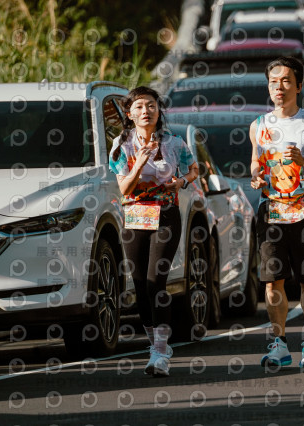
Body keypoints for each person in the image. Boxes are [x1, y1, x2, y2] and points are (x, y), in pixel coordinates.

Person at [250, 57, 304, 369]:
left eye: (286, 80)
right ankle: (279, 344)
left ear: (299, 86)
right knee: (272, 280)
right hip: (271, 210)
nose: (279, 87)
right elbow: (255, 163)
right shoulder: (258, 125)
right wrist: (256, 176)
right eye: (274, 81)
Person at [108, 86, 199, 377]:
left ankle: (159, 352)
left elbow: (194, 169)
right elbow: (125, 188)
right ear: (129, 114)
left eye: (150, 105)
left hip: (166, 215)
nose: (145, 111)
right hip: (135, 216)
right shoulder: (121, 145)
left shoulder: (174, 142)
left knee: (155, 282)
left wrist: (181, 183)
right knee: (139, 286)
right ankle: (155, 345)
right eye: (138, 106)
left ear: (159, 110)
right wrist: (139, 163)